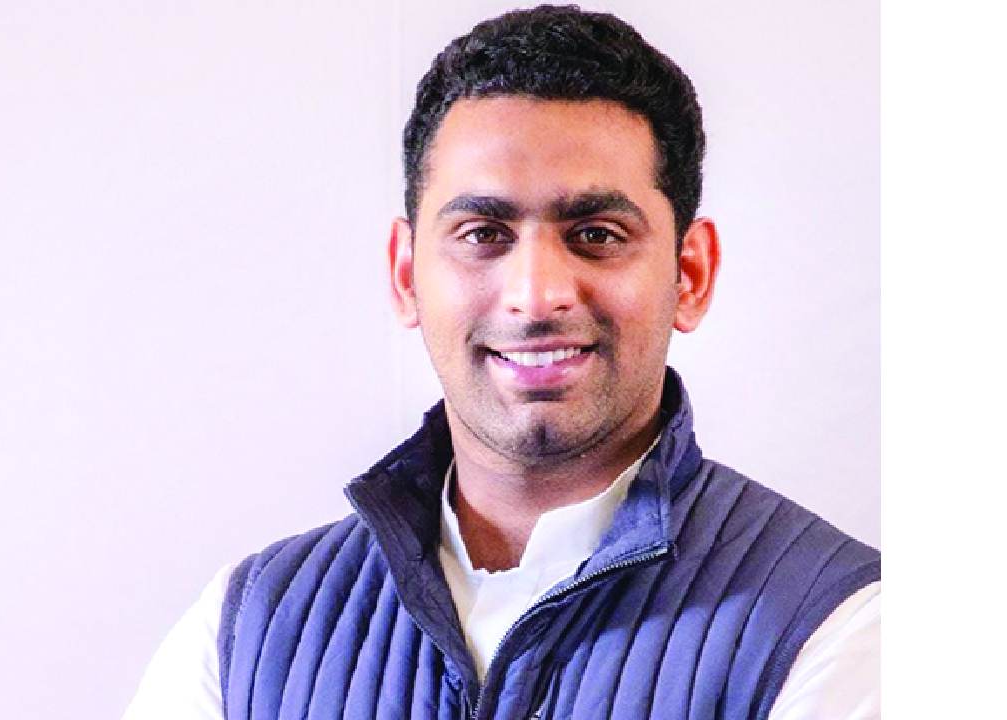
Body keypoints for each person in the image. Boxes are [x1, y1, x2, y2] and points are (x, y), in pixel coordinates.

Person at [124, 5, 880, 719]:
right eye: (484, 234)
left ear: (690, 274)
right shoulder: (242, 636)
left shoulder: (843, 630)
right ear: (406, 274)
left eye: (597, 234)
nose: (537, 295)